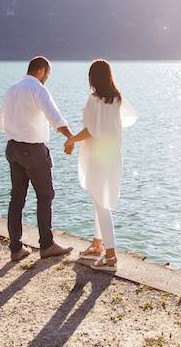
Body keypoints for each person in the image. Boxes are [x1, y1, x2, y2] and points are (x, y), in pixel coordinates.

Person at [0, 56, 75, 261]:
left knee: (17, 199)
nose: (47, 78)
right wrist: (70, 137)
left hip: (12, 148)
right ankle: (47, 245)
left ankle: (16, 249)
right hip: (33, 150)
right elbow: (54, 117)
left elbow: (2, 120)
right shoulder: (37, 89)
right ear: (41, 70)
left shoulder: (11, 90)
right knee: (45, 195)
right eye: (48, 73)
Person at [64, 59, 137, 272]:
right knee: (99, 200)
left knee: (101, 203)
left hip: (97, 156)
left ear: (92, 78)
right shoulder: (117, 99)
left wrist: (70, 140)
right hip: (112, 155)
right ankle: (97, 244)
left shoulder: (94, 100)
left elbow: (90, 131)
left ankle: (111, 255)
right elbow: (127, 119)